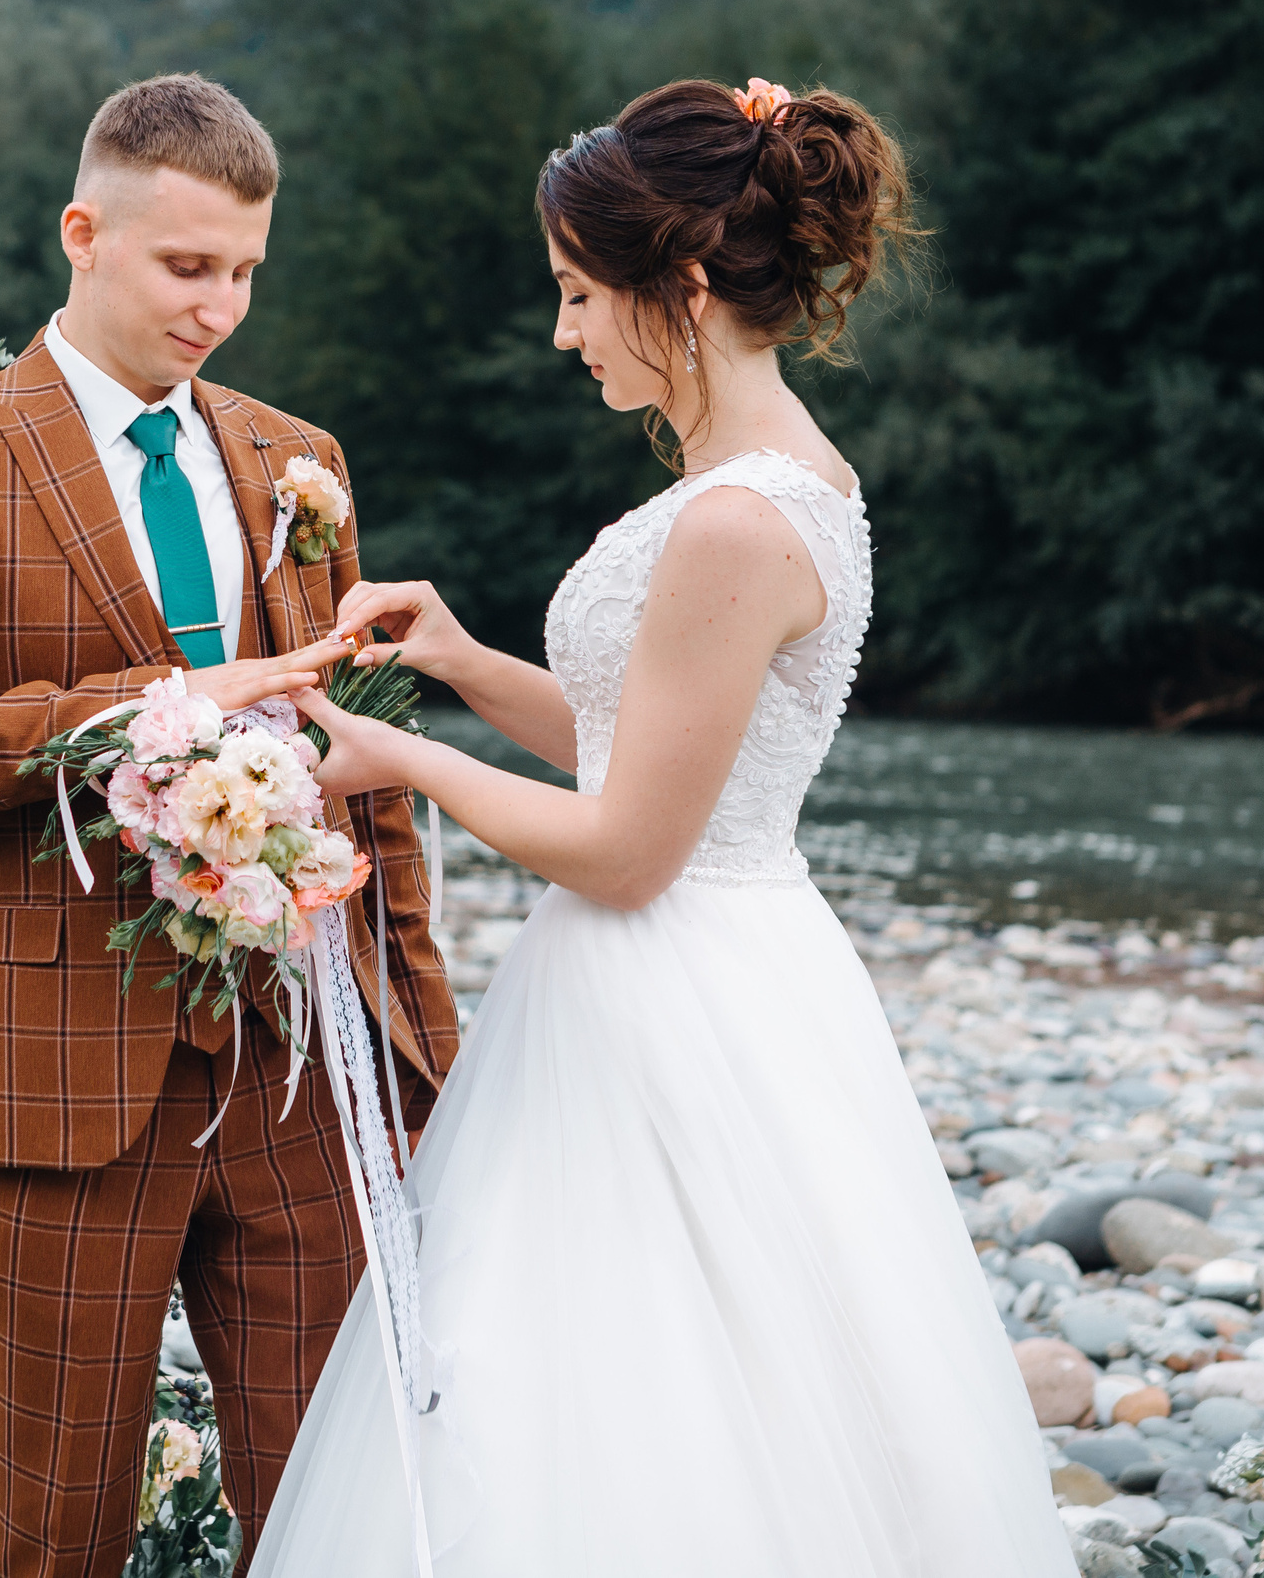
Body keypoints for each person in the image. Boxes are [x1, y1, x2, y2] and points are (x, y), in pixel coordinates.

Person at [252, 78, 1079, 1574]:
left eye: (579, 294)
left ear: (680, 287)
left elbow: (633, 847)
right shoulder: (783, 483)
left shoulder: (732, 521)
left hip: (673, 981)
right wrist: (452, 657)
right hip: (716, 965)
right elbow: (651, 751)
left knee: (635, 1396)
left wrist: (395, 761)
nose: (565, 332)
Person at [0, 73, 460, 1578]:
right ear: (83, 233)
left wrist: (419, 1033)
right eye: (187, 267)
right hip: (65, 1080)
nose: (220, 305)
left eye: (245, 269)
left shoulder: (298, 461)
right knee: (59, 1533)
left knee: (331, 1519)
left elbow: (355, 762)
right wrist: (152, 705)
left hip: (307, 1061)